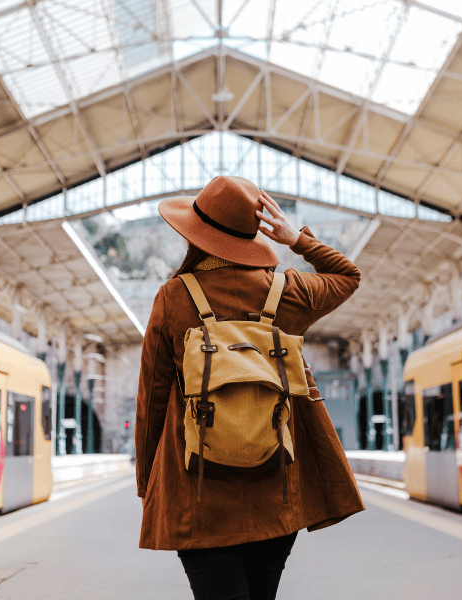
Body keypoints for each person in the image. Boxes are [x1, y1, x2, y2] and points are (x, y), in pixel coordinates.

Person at [135, 175, 365, 600]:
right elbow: (347, 276)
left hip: (197, 490)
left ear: (195, 235)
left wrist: (147, 482)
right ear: (251, 234)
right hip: (276, 489)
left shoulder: (173, 297)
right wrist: (298, 239)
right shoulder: (288, 291)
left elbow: (152, 396)